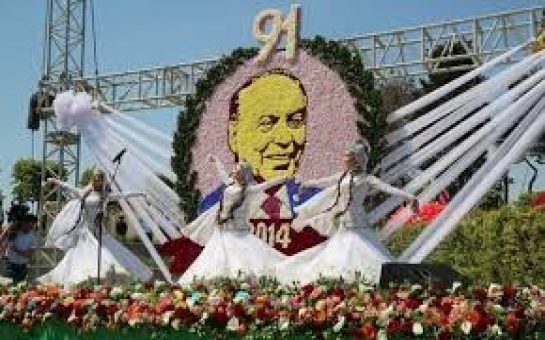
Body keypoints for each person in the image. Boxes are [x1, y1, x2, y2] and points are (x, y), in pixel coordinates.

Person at [275, 141, 417, 285]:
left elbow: (388, 188)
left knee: (360, 247)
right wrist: (308, 184)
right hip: (343, 220)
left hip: (356, 221)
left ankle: (361, 277)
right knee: (341, 249)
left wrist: (408, 196)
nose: (344, 159)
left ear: (356, 159)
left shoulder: (367, 179)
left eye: (347, 156)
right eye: (345, 156)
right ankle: (342, 278)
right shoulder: (344, 175)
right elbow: (326, 181)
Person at [179, 156, 288, 283]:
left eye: (237, 168)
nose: (234, 169)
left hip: (237, 229)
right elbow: (223, 173)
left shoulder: (248, 190)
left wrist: (283, 178)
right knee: (219, 255)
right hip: (223, 227)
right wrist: (217, 161)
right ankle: (224, 280)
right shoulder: (230, 183)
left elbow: (267, 184)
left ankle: (236, 280)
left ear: (242, 173)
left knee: (237, 256)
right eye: (235, 167)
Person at [38, 170, 152, 286]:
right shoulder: (83, 193)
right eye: (96, 178)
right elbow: (68, 186)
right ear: (93, 179)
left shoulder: (105, 195)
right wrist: (54, 181)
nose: (98, 181)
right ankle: (86, 281)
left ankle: (103, 281)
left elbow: (123, 194)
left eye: (101, 179)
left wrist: (140, 193)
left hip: (99, 230)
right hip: (85, 231)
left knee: (108, 256)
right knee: (83, 259)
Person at [228, 69, 307, 181]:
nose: (284, 139)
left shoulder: (318, 197)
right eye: (266, 123)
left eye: (296, 121)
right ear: (233, 135)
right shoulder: (223, 198)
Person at [4, 214, 38, 283]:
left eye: (33, 224)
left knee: (20, 286)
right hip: (10, 264)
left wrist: (16, 250)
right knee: (9, 284)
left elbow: (29, 254)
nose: (31, 226)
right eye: (29, 223)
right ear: (23, 223)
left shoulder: (33, 236)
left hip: (23, 265)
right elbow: (8, 245)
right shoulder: (14, 232)